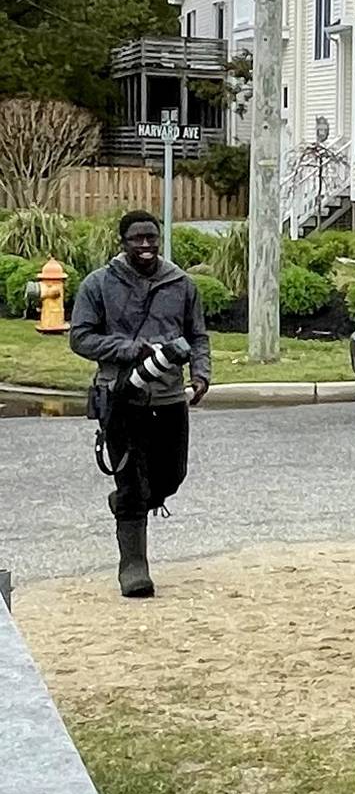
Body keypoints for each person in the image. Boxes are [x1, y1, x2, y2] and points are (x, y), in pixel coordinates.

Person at [70, 210, 211, 599]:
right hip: (120, 397)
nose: (146, 245)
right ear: (123, 242)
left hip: (169, 396)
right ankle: (133, 567)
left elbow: (198, 336)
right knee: (132, 483)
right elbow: (80, 337)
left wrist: (201, 374)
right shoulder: (98, 284)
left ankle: (128, 502)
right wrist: (130, 348)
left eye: (151, 237)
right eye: (137, 238)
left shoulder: (181, 284)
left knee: (172, 476)